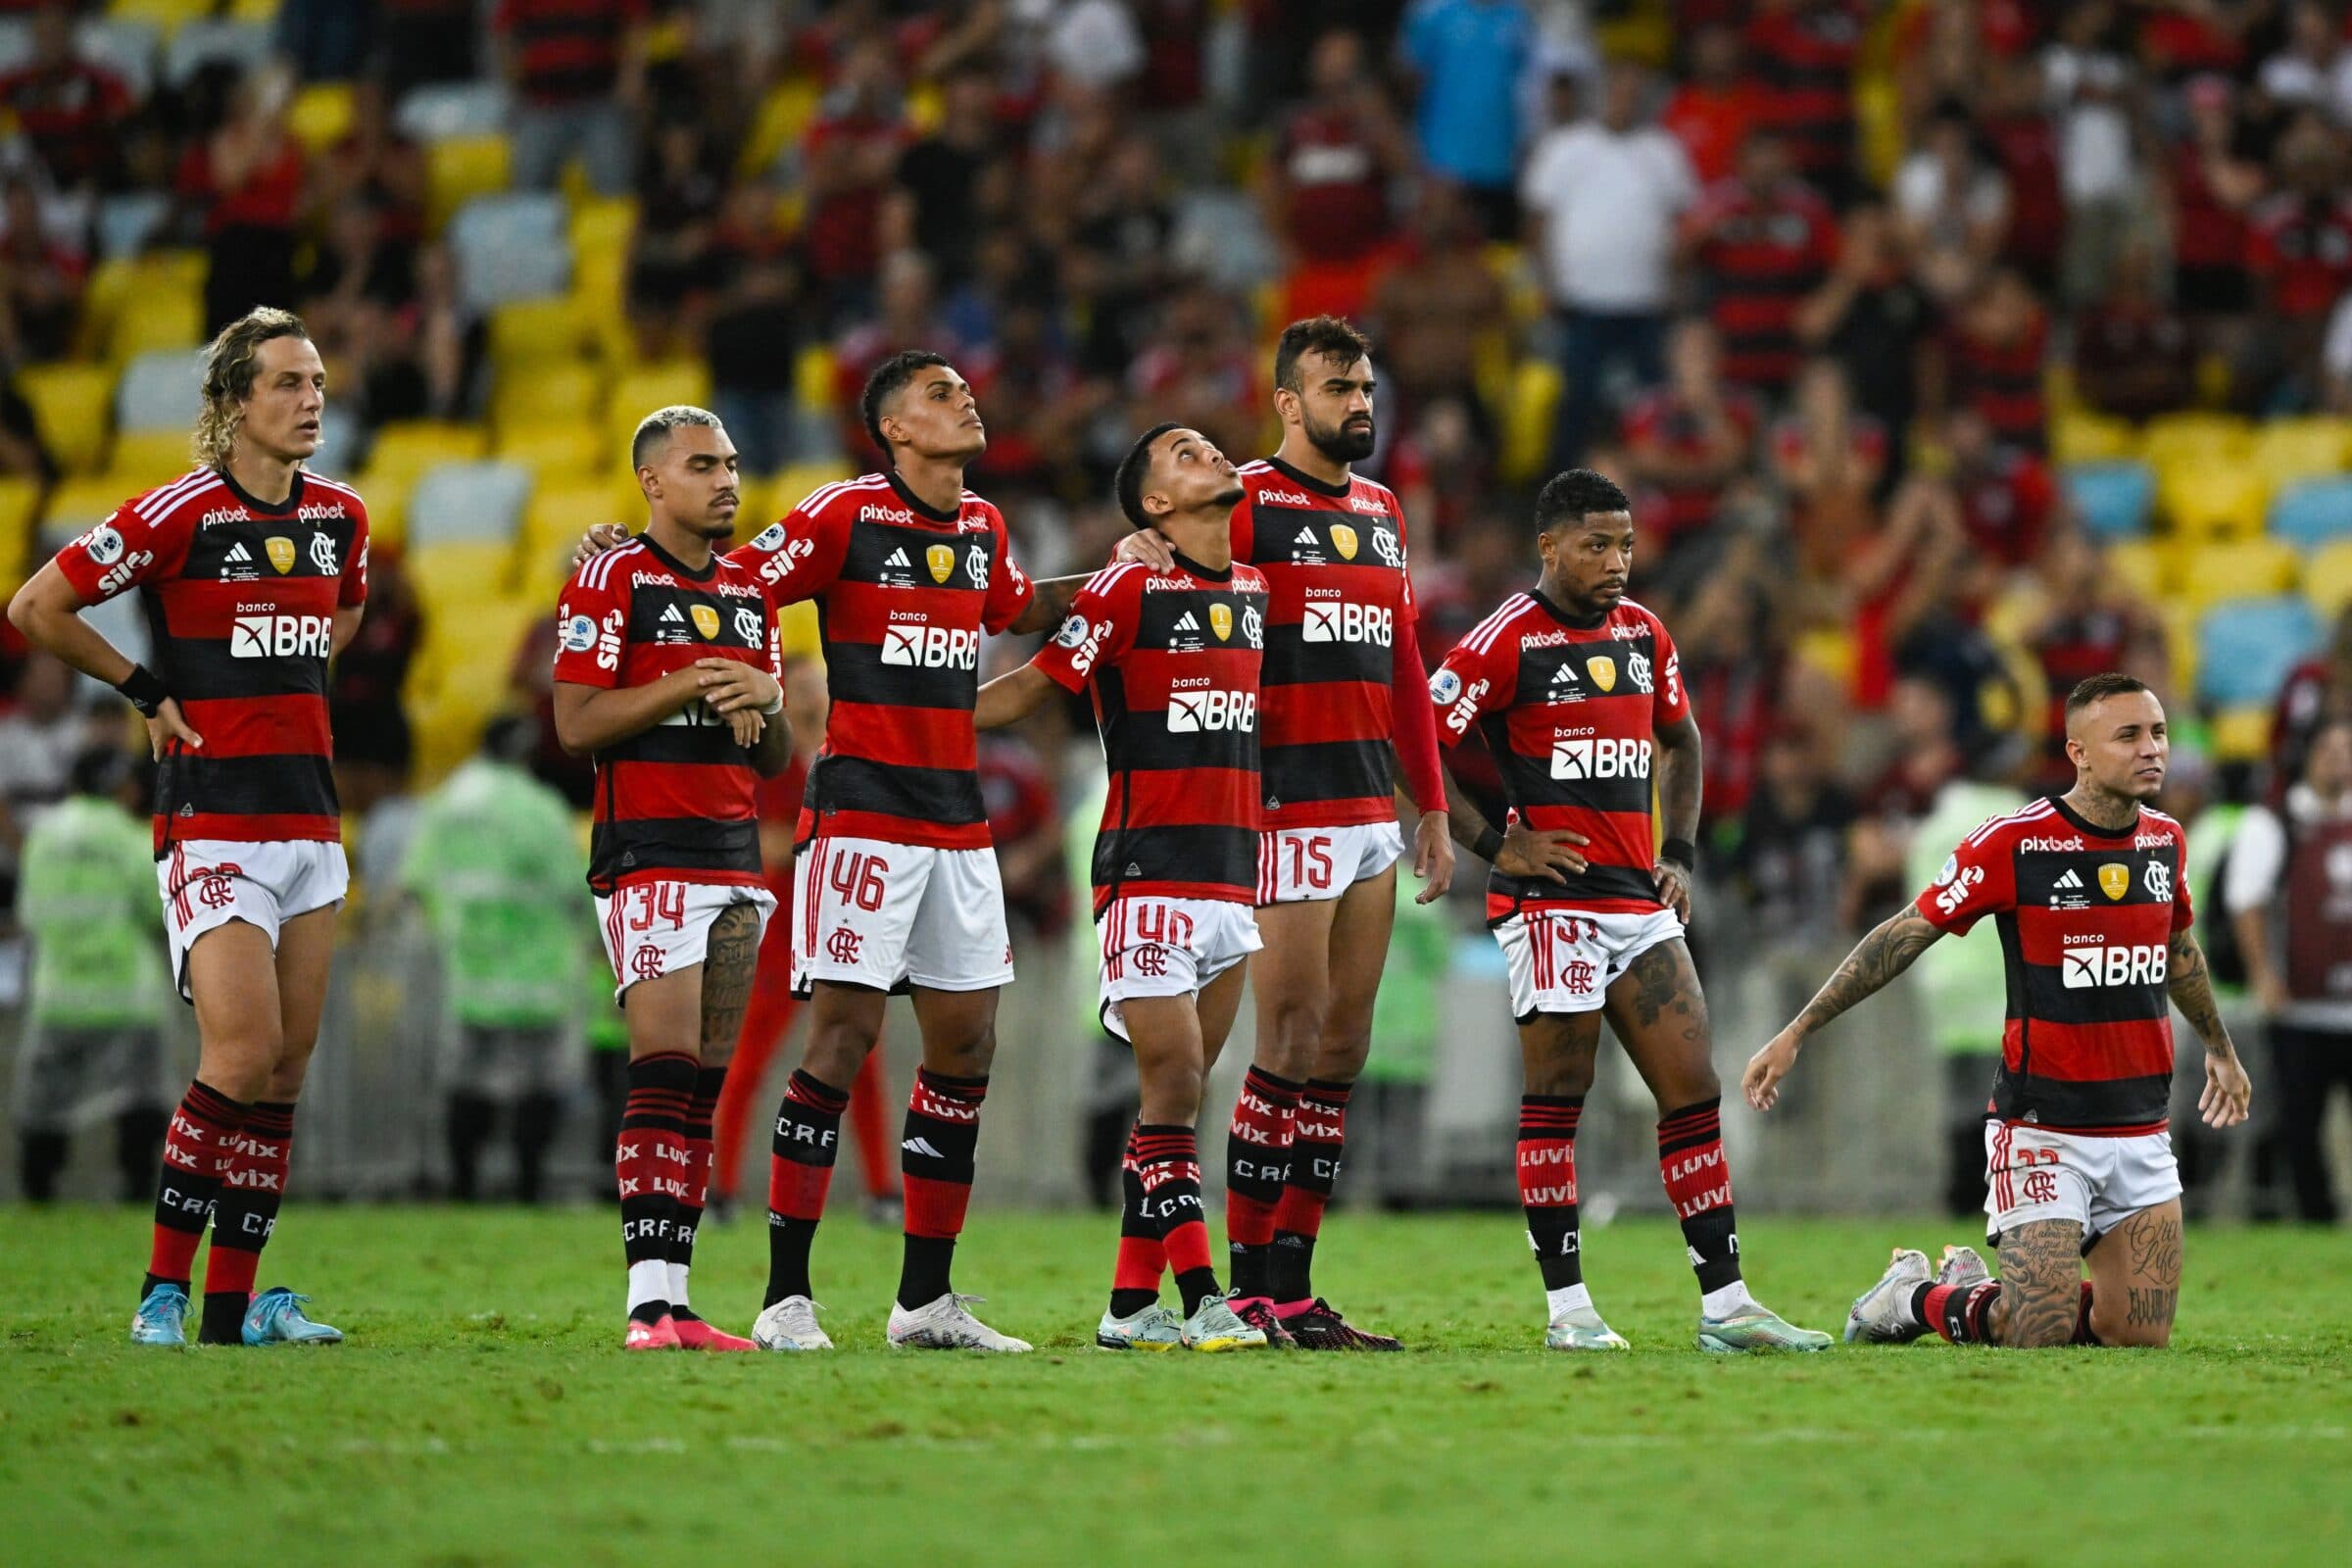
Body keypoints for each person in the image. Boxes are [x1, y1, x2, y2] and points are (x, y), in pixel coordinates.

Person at [585, 354, 1085, 1351]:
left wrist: (1120, 578)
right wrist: (631, 553)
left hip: (959, 821)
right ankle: (784, 1298)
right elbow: (736, 582)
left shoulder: (982, 527)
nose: (965, 399)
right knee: (841, 1039)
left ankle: (926, 1302)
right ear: (895, 429)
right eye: (939, 394)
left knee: (964, 1050)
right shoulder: (843, 515)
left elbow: (1022, 607)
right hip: (861, 812)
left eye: (964, 389)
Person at [7, 306, 368, 1348]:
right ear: (233, 405)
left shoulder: (341, 516)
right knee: (241, 1052)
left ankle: (230, 1306)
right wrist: (144, 686)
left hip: (311, 820)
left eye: (317, 385)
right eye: (288, 385)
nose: (311, 402)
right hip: (213, 824)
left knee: (287, 1067)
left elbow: (339, 611)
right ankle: (160, 1291)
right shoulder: (180, 513)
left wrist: (284, 678)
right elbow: (38, 605)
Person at [1424, 467, 1830, 1353]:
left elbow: (1681, 738)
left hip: (1633, 900)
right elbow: (1416, 739)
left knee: (1692, 1087)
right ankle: (1568, 1310)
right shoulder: (1505, 641)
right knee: (1559, 1098)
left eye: (1627, 544)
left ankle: (1726, 1305)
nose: (1617, 562)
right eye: (1597, 545)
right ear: (1550, 546)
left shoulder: (1644, 634)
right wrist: (1497, 844)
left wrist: (1676, 853)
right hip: (1549, 904)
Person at [1119, 317, 1454, 1350]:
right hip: (1280, 806)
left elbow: (1401, 658)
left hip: (1367, 811)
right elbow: (1175, 568)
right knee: (1285, 1044)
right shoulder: (1249, 498)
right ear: (1288, 402)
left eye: (1366, 386)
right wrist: (1141, 548)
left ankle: (1294, 1288)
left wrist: (1431, 803)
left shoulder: (1385, 510)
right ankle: (1244, 1283)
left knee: (1340, 1051)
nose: (1358, 403)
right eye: (1336, 387)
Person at [1745, 673, 2255, 1349]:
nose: (2151, 749)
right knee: (2034, 1331)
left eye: (2157, 732)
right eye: (2128, 735)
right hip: (2043, 1126)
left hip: (2140, 1126)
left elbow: (2178, 948)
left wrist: (2219, 1047)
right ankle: (1915, 1297)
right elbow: (1904, 933)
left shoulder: (2165, 841)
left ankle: (1979, 1289)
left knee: (2136, 1334)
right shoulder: (2017, 843)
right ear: (2078, 752)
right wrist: (1799, 1029)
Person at [974, 422, 1272, 1352]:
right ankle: (1204, 1298)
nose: (1214, 454)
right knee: (1175, 1082)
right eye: (1185, 453)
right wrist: (899, 721)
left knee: (1172, 1104)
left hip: (1233, 876)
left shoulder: (1257, 589)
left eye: (1212, 446)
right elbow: (1033, 687)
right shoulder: (1128, 584)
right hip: (1147, 871)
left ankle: (1126, 1306)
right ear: (1154, 504)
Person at [553, 406, 792, 1350]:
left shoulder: (751, 593)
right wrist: (691, 680)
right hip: (648, 852)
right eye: (702, 466)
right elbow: (575, 725)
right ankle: (645, 1304)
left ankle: (679, 1302)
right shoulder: (612, 574)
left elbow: (771, 758)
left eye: (731, 463)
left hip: (734, 856)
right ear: (653, 482)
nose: (726, 480)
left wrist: (767, 699)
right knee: (661, 1069)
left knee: (703, 1086)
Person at [394, 715, 584, 1204]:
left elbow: (414, 881)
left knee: (466, 1083)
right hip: (536, 972)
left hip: (464, 971)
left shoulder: (444, 805)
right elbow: (571, 886)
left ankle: (464, 1186)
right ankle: (527, 1186)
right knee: (537, 1083)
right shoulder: (540, 807)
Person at [13, 742, 172, 1202]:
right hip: (127, 994)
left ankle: (37, 1195)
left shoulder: (43, 835)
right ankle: (136, 1194)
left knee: (43, 1106)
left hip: (57, 994)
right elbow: (152, 908)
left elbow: (28, 910)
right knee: (140, 1102)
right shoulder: (128, 836)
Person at [2224, 717, 2352, 1223]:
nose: (2339, 758)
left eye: (2348, 747)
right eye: (2329, 746)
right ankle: (2314, 1217)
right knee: (2300, 1122)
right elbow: (2246, 903)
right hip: (2300, 1005)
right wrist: (2263, 975)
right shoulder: (2274, 822)